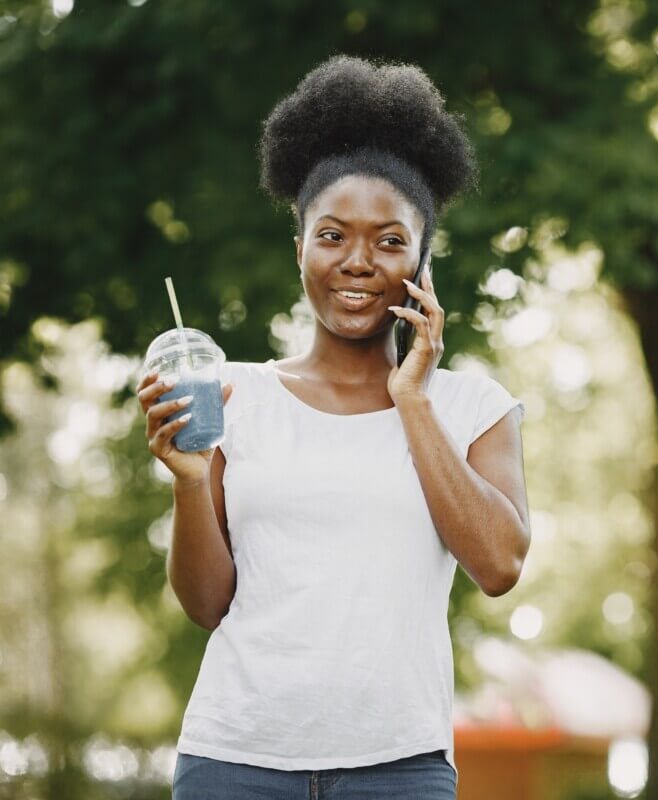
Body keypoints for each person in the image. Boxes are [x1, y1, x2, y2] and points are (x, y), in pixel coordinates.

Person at [136, 56, 530, 799]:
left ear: (422, 260)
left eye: (388, 241)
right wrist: (190, 484)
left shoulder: (475, 408)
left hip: (400, 769)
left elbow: (499, 566)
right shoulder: (234, 397)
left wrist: (412, 397)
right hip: (234, 763)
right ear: (300, 250)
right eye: (331, 236)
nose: (358, 261)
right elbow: (205, 605)